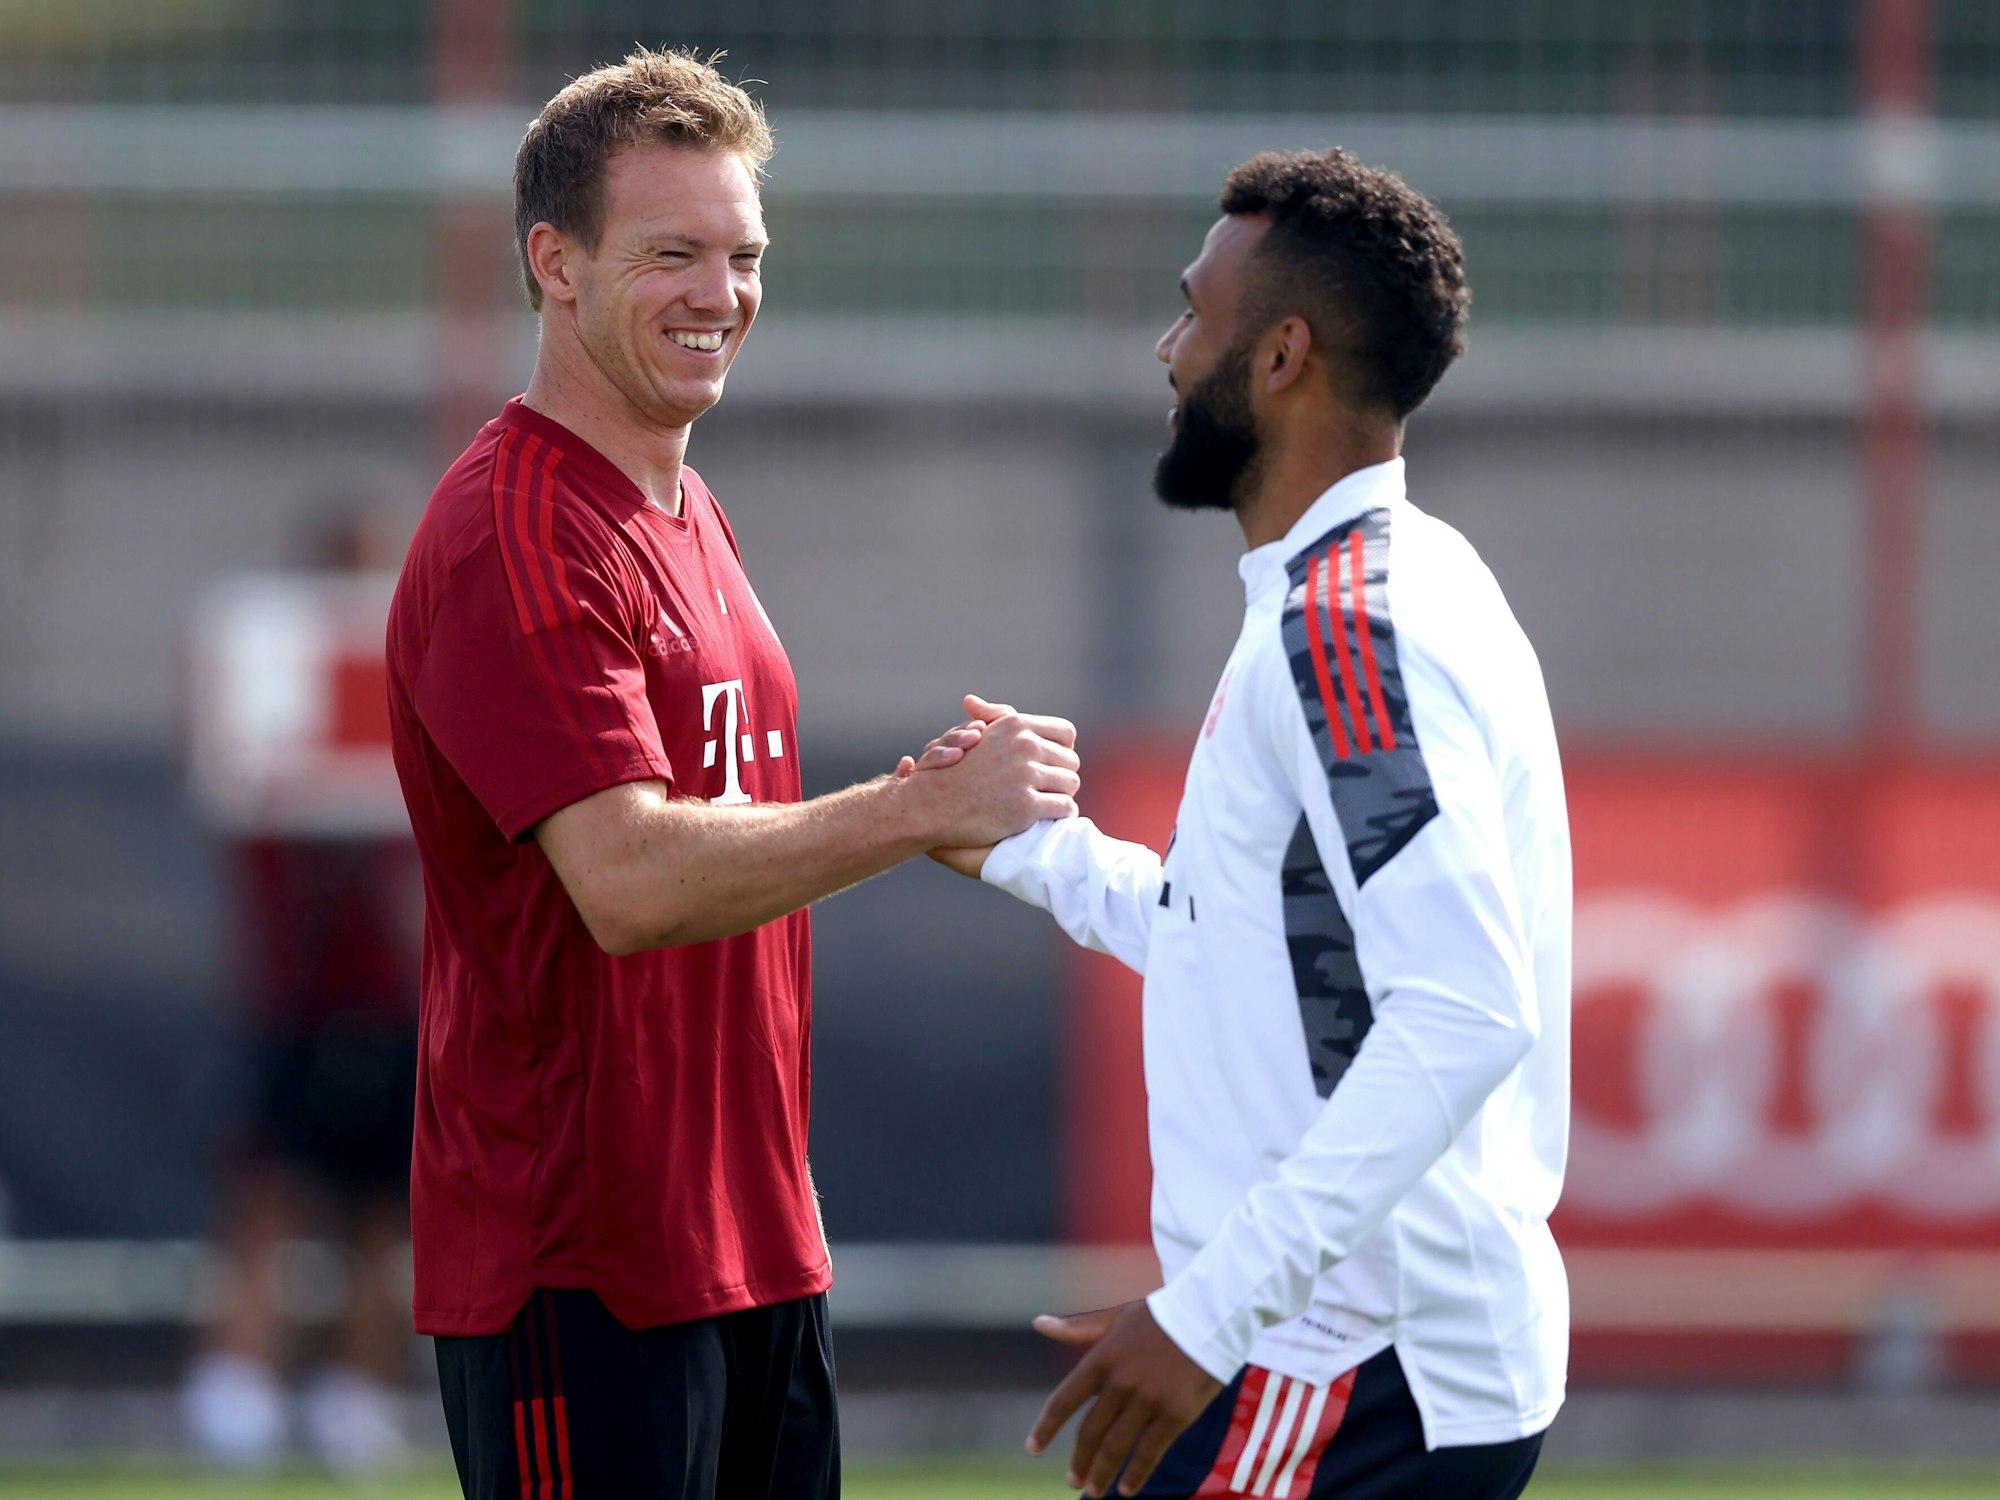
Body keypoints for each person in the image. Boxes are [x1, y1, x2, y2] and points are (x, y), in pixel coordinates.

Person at [385, 48, 1079, 1500]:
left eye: (745, 254)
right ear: (553, 263)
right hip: (580, 1274)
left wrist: (913, 804)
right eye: (673, 255)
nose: (722, 294)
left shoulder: (685, 505)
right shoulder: (512, 535)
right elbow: (629, 882)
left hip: (754, 1251)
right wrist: (911, 809)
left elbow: (719, 830)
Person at [927, 148, 1570, 1499]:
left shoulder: (1349, 626)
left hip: (1358, 1369)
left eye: (1190, 315)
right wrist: (1031, 850)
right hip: (1344, 1354)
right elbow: (1268, 954)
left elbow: (1463, 1009)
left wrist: (1209, 1321)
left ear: (1279, 357)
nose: (1166, 353)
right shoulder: (1358, 587)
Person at [183, 508, 420, 1474]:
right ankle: (235, 1392)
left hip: (397, 997)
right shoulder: (267, 691)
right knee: (270, 1195)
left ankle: (354, 1396)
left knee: (389, 1211)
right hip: (298, 998)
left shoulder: (421, 687)